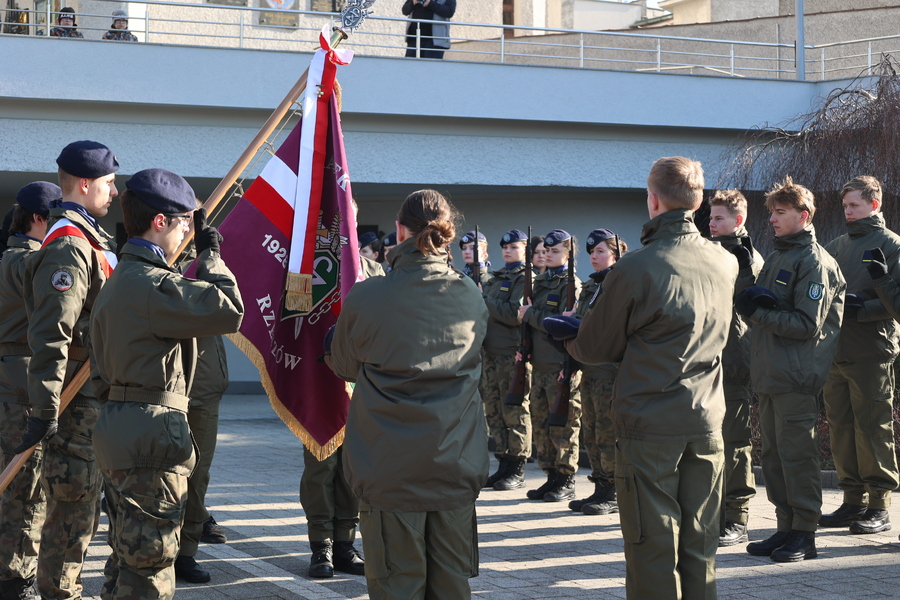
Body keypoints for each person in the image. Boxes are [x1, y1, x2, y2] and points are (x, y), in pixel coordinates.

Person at [564, 156, 736, 599]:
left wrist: (570, 336)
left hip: (650, 424)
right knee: (700, 544)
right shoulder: (724, 261)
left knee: (652, 546)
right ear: (697, 202)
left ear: (653, 200)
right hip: (706, 421)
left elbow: (595, 348)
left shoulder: (636, 267)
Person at [90, 168, 244, 600]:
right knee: (150, 568)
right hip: (151, 436)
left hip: (121, 425)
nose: (186, 237)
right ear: (160, 222)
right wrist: (212, 259)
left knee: (125, 558)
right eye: (183, 225)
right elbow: (230, 309)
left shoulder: (121, 278)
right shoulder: (153, 285)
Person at [330, 189, 488, 600]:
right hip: (454, 462)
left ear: (399, 230)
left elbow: (345, 366)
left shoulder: (369, 296)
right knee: (452, 587)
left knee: (398, 587)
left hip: (390, 467)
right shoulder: (469, 292)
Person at [15, 140, 118, 600]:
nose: (114, 192)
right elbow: (52, 333)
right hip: (74, 402)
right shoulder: (69, 246)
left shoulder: (90, 238)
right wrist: (46, 407)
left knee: (82, 512)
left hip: (91, 396)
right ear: (84, 183)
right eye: (109, 183)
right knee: (72, 516)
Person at [737, 176, 845, 562]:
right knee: (775, 458)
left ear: (804, 215)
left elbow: (805, 325)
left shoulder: (813, 261)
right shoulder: (780, 255)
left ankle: (805, 533)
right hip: (770, 374)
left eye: (780, 213)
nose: (772, 220)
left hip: (796, 376)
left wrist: (758, 312)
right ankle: (785, 527)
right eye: (771, 213)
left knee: (798, 457)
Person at [819, 176, 900, 534]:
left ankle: (879, 505)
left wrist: (861, 310)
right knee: (841, 429)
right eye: (845, 206)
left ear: (874, 204)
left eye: (854, 205)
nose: (848, 212)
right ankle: (852, 500)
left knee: (872, 429)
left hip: (872, 351)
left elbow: (896, 304)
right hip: (837, 350)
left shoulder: (892, 245)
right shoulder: (836, 244)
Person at [0, 182, 56, 600]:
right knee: (24, 488)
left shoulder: (7, 258)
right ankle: (15, 579)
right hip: (21, 390)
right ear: (39, 219)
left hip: (8, 384)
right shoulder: (32, 264)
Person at [707, 189, 763, 546]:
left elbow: (750, 305)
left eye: (719, 218)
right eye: (710, 218)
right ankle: (711, 511)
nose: (711, 224)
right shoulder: (709, 252)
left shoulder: (749, 258)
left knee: (735, 441)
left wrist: (743, 269)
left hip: (733, 361)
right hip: (704, 361)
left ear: (738, 220)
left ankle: (737, 516)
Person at [518, 229, 581, 503]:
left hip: (560, 366)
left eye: (555, 251)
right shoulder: (540, 282)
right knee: (541, 422)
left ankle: (566, 477)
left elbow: (556, 324)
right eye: (546, 251)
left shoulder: (571, 286)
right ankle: (551, 474)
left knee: (564, 423)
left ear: (568, 254)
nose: (549, 255)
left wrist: (530, 315)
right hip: (540, 365)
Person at [568, 228, 625, 517]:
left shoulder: (619, 283)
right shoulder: (592, 286)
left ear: (615, 255)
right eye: (591, 252)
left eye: (600, 251)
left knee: (606, 431)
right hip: (589, 369)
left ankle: (613, 490)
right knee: (590, 431)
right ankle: (600, 485)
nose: (594, 256)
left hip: (608, 370)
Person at [177, 334, 230, 584]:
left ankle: (185, 553)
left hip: (204, 382)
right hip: (156, 380)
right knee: (155, 474)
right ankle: (153, 549)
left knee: (197, 475)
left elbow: (231, 314)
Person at [480, 229, 530, 490]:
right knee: (495, 412)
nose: (508, 251)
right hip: (491, 352)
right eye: (505, 247)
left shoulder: (525, 278)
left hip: (511, 354)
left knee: (515, 410)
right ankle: (503, 462)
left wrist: (484, 298)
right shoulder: (498, 277)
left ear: (525, 250)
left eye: (514, 247)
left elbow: (514, 314)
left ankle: (518, 465)